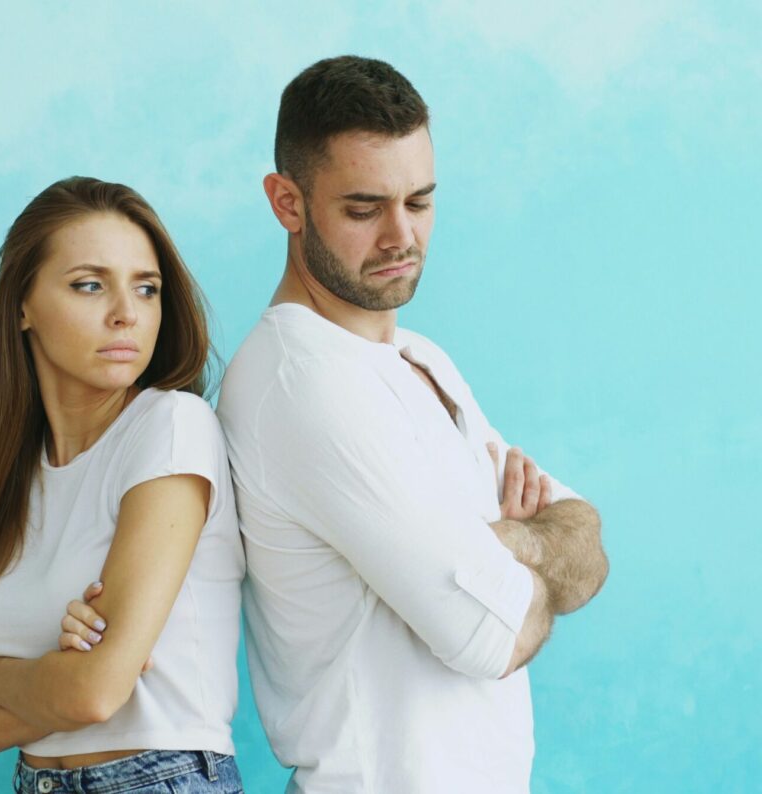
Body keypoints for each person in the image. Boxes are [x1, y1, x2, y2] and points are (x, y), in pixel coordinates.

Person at [216, 56, 609, 792]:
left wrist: (512, 545)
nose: (401, 235)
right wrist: (528, 552)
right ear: (287, 202)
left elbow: (588, 543)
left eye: (420, 202)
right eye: (364, 208)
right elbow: (493, 636)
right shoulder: (302, 383)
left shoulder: (422, 357)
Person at [0, 176, 245, 793]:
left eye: (146, 289)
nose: (126, 311)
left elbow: (94, 694)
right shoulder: (10, 478)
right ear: (23, 305)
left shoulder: (171, 426)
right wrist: (52, 679)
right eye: (89, 285)